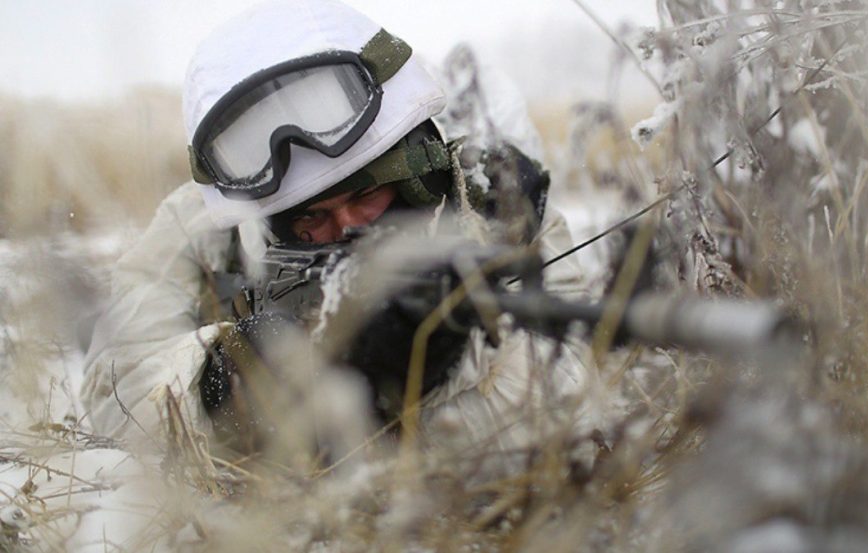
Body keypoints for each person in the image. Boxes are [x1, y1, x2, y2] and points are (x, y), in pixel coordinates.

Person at [80, 0, 605, 466]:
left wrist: (433, 370)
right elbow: (115, 394)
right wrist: (230, 385)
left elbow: (578, 390)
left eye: (364, 197)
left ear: (419, 181)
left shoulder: (495, 201)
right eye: (312, 219)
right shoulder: (199, 225)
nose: (348, 229)